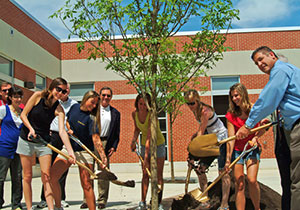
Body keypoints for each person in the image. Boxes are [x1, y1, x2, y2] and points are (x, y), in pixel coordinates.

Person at [236, 46, 300, 210]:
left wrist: (248, 125)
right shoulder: (288, 71)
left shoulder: (280, 71)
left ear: (272, 55)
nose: (259, 64)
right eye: (256, 63)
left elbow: (267, 101)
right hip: (288, 126)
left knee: (297, 178)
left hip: (297, 125)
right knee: (290, 178)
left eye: (261, 59)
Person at [16, 77, 76, 210]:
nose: (60, 93)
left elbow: (62, 131)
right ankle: (29, 207)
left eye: (64, 92)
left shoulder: (59, 109)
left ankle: (51, 208)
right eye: (58, 89)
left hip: (44, 143)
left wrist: (71, 152)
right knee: (27, 176)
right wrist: (31, 129)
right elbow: (23, 115)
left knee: (46, 177)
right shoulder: (38, 96)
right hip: (26, 139)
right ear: (52, 87)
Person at [50, 90, 108, 210]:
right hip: (69, 147)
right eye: (92, 102)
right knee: (52, 177)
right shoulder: (74, 107)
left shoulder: (92, 118)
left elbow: (96, 139)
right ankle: (58, 206)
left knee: (86, 184)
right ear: (86, 98)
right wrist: (69, 128)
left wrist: (103, 157)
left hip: (85, 151)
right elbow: (67, 120)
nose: (93, 106)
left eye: (95, 105)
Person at [184, 89, 230, 210]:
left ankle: (225, 204)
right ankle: (206, 199)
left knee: (223, 172)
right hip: (211, 139)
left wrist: (193, 152)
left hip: (221, 140)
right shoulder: (196, 111)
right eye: (188, 104)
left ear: (198, 100)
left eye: (192, 103)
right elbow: (202, 130)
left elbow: (201, 132)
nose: (190, 106)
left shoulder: (205, 111)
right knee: (200, 169)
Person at [225, 83, 267, 210]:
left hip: (252, 149)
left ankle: (257, 208)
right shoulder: (231, 115)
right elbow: (230, 140)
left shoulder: (255, 110)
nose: (234, 99)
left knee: (252, 180)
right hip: (238, 151)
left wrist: (255, 138)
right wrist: (228, 160)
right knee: (240, 183)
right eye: (232, 96)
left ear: (243, 94)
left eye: (236, 95)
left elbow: (264, 127)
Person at [37, 84, 77, 209]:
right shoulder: (52, 101)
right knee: (47, 169)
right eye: (60, 90)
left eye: (65, 91)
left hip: (64, 137)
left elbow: (72, 121)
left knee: (61, 170)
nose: (63, 92)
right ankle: (45, 198)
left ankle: (61, 198)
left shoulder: (73, 104)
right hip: (52, 136)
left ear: (69, 91)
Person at [80, 87, 120, 209]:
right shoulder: (92, 109)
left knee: (103, 171)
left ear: (111, 97)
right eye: (103, 95)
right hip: (90, 141)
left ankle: (102, 200)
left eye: (108, 95)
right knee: (88, 170)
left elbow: (117, 132)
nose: (106, 97)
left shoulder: (115, 113)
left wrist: (113, 146)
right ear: (100, 96)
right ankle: (87, 199)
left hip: (104, 142)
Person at [130, 93, 165, 210]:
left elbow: (150, 136)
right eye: (140, 104)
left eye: (145, 104)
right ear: (137, 103)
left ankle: (158, 202)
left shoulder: (152, 115)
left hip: (158, 143)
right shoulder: (134, 114)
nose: (143, 107)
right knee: (145, 174)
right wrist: (134, 141)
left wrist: (146, 157)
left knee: (158, 174)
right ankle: (142, 202)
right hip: (145, 144)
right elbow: (137, 129)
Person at [0, 87, 23, 210]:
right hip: (4, 147)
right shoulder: (3, 110)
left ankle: (16, 204)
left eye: (20, 97)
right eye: (15, 97)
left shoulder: (23, 112)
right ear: (10, 97)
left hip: (19, 149)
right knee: (1, 177)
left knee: (17, 177)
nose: (18, 99)